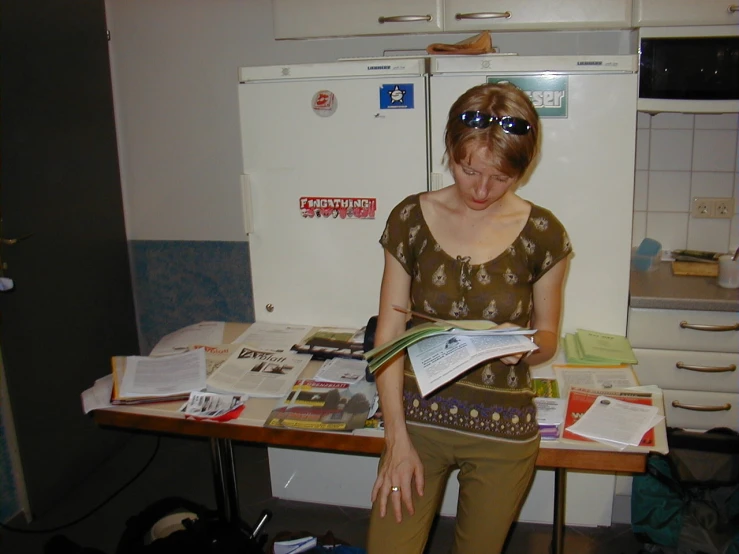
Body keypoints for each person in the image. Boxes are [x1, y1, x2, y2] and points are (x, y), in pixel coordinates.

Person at [366, 82, 572, 554]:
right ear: (450, 152)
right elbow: (388, 334)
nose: (481, 189)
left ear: (523, 168)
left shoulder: (545, 234)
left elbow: (547, 340)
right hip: (416, 421)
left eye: (500, 177)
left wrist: (519, 346)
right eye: (468, 170)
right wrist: (395, 438)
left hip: (501, 430)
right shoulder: (409, 219)